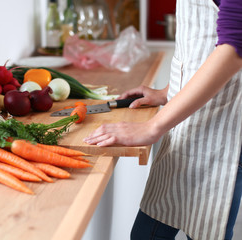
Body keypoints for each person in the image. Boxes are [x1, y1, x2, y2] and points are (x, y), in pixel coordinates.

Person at [83, 0, 242, 239]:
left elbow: (233, 51)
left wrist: (152, 127)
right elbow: (201, 46)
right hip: (188, 127)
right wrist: (167, 92)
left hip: (223, 135)